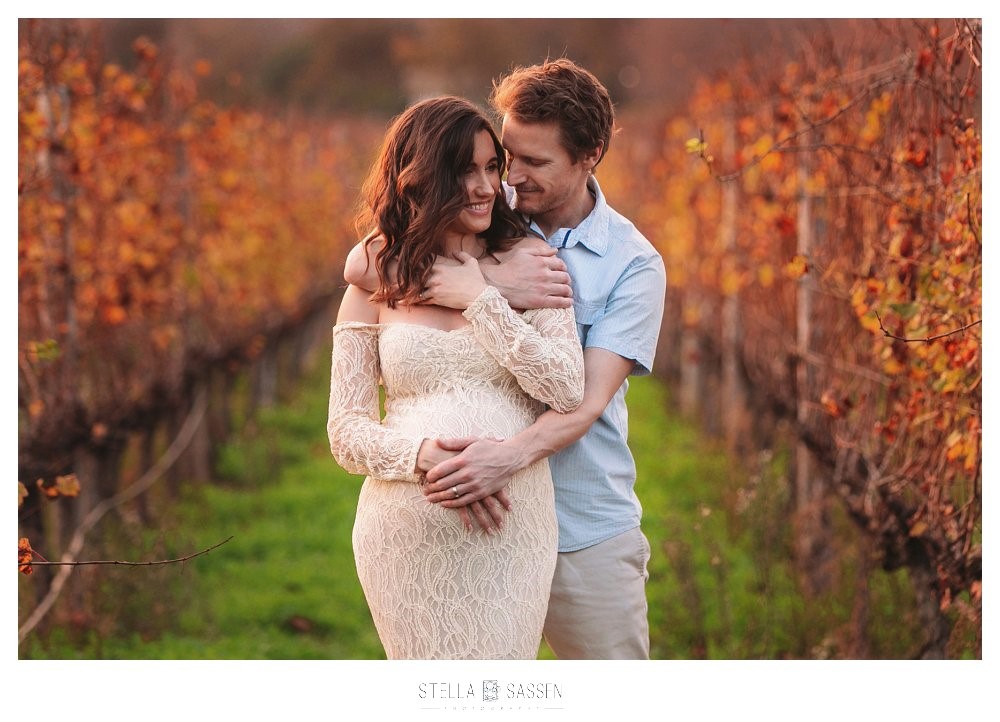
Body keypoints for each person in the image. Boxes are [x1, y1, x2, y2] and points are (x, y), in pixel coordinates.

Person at [344, 59, 666, 659]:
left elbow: (584, 400)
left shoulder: (632, 265)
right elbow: (366, 263)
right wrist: (491, 277)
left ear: (590, 154)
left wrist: (501, 460)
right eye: (506, 155)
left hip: (582, 525)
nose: (508, 179)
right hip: (457, 533)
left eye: (532, 163)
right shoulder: (497, 233)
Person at [327, 95, 585, 660]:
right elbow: (345, 432)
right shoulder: (374, 280)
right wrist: (424, 455)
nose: (487, 186)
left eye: (492, 167)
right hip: (402, 537)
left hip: (509, 531)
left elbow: (566, 388)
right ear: (421, 178)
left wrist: (484, 301)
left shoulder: (532, 264)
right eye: (464, 170)